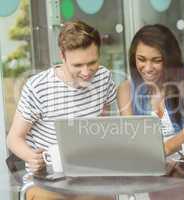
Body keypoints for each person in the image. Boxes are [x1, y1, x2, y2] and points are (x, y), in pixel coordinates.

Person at [7, 20, 116, 200]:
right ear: (63, 56)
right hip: (46, 180)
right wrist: (32, 158)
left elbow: (105, 124)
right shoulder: (38, 87)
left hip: (90, 177)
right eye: (78, 65)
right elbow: (13, 138)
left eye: (92, 62)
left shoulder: (103, 78)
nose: (87, 72)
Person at [117, 24, 184, 171]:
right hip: (159, 174)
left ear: (169, 59)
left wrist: (162, 151)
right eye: (141, 59)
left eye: (156, 60)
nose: (147, 68)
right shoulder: (126, 90)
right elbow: (131, 138)